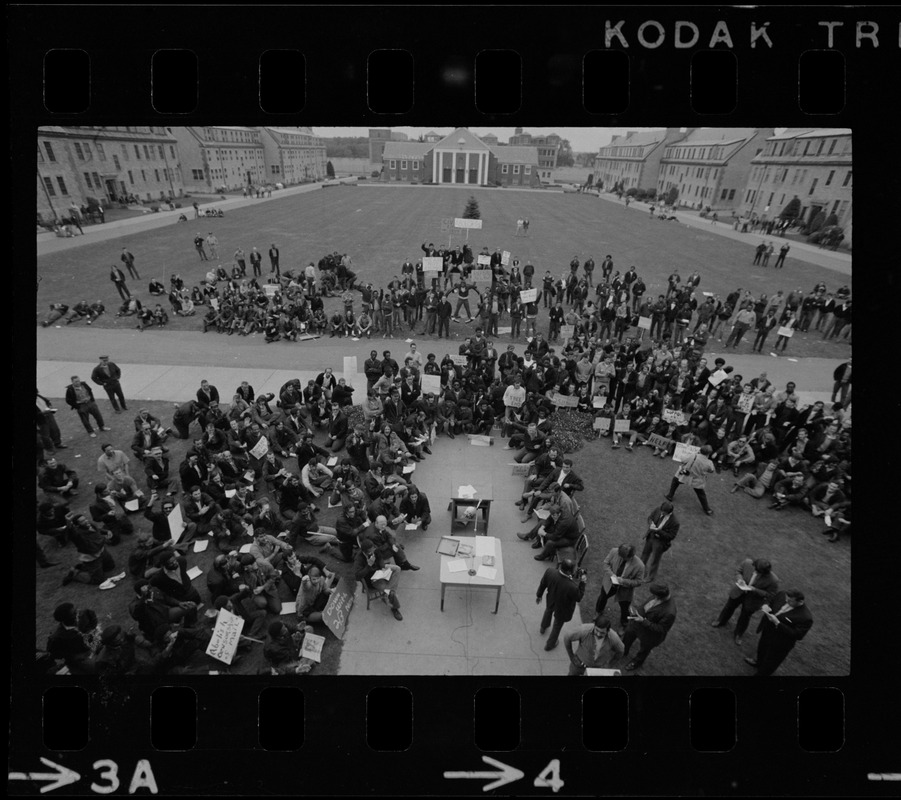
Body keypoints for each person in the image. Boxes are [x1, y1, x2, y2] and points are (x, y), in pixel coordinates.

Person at [711, 558, 780, 646]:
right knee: (729, 607)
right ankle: (720, 621)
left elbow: (770, 594)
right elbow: (739, 571)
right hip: (738, 592)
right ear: (754, 565)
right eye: (756, 571)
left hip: (753, 600)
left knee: (745, 617)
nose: (757, 574)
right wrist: (740, 579)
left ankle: (738, 634)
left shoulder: (773, 580)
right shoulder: (747, 563)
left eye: (760, 573)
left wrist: (755, 589)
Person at [745, 589, 813, 676]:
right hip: (768, 631)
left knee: (772, 660)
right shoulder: (782, 594)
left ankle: (762, 674)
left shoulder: (805, 617)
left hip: (781, 642)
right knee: (762, 649)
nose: (786, 601)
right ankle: (758, 662)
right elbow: (772, 599)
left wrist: (778, 623)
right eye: (786, 598)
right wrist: (766, 605)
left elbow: (798, 635)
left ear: (800, 602)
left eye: (790, 601)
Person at [620, 583, 677, 671]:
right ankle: (623, 650)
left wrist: (643, 621)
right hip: (637, 624)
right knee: (628, 634)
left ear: (660, 596)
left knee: (644, 650)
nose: (653, 596)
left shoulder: (670, 612)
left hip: (650, 635)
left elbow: (661, 629)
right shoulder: (658, 595)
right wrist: (636, 612)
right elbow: (646, 606)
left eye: (654, 595)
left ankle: (636, 662)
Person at [536, 558, 587, 651]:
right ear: (568, 571)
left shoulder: (550, 572)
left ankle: (543, 627)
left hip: (551, 600)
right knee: (557, 625)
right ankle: (550, 645)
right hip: (563, 608)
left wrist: (539, 595)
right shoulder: (572, 586)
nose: (575, 570)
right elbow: (579, 597)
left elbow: (542, 584)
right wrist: (583, 583)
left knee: (548, 611)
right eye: (573, 569)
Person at [595, 544, 645, 630]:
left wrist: (624, 581)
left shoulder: (640, 566)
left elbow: (639, 582)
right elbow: (606, 563)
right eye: (620, 556)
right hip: (609, 583)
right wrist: (612, 575)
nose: (621, 559)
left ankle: (624, 624)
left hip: (625, 590)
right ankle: (598, 612)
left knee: (624, 608)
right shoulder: (614, 551)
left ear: (631, 556)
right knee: (602, 597)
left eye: (624, 558)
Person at [354, 538, 404, 621]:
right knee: (390, 592)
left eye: (373, 549)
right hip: (372, 579)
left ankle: (388, 592)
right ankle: (395, 608)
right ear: (365, 551)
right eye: (371, 551)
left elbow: (380, 558)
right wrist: (369, 565)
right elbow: (357, 576)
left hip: (380, 570)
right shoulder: (358, 559)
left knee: (397, 569)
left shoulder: (374, 549)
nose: (373, 551)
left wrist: (382, 567)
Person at [665, 445, 716, 515]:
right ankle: (707, 509)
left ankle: (670, 496)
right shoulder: (709, 462)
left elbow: (683, 460)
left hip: (686, 476)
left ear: (700, 450)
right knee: (701, 493)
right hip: (698, 479)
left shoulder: (694, 456)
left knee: (675, 481)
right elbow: (711, 470)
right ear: (708, 454)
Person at [640, 501, 678, 582]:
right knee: (644, 554)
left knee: (655, 560)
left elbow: (671, 536)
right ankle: (640, 571)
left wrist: (658, 531)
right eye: (661, 511)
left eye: (664, 513)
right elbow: (650, 518)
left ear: (669, 513)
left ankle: (650, 577)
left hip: (660, 542)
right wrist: (651, 524)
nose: (661, 513)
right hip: (651, 537)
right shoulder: (658, 509)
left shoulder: (675, 522)